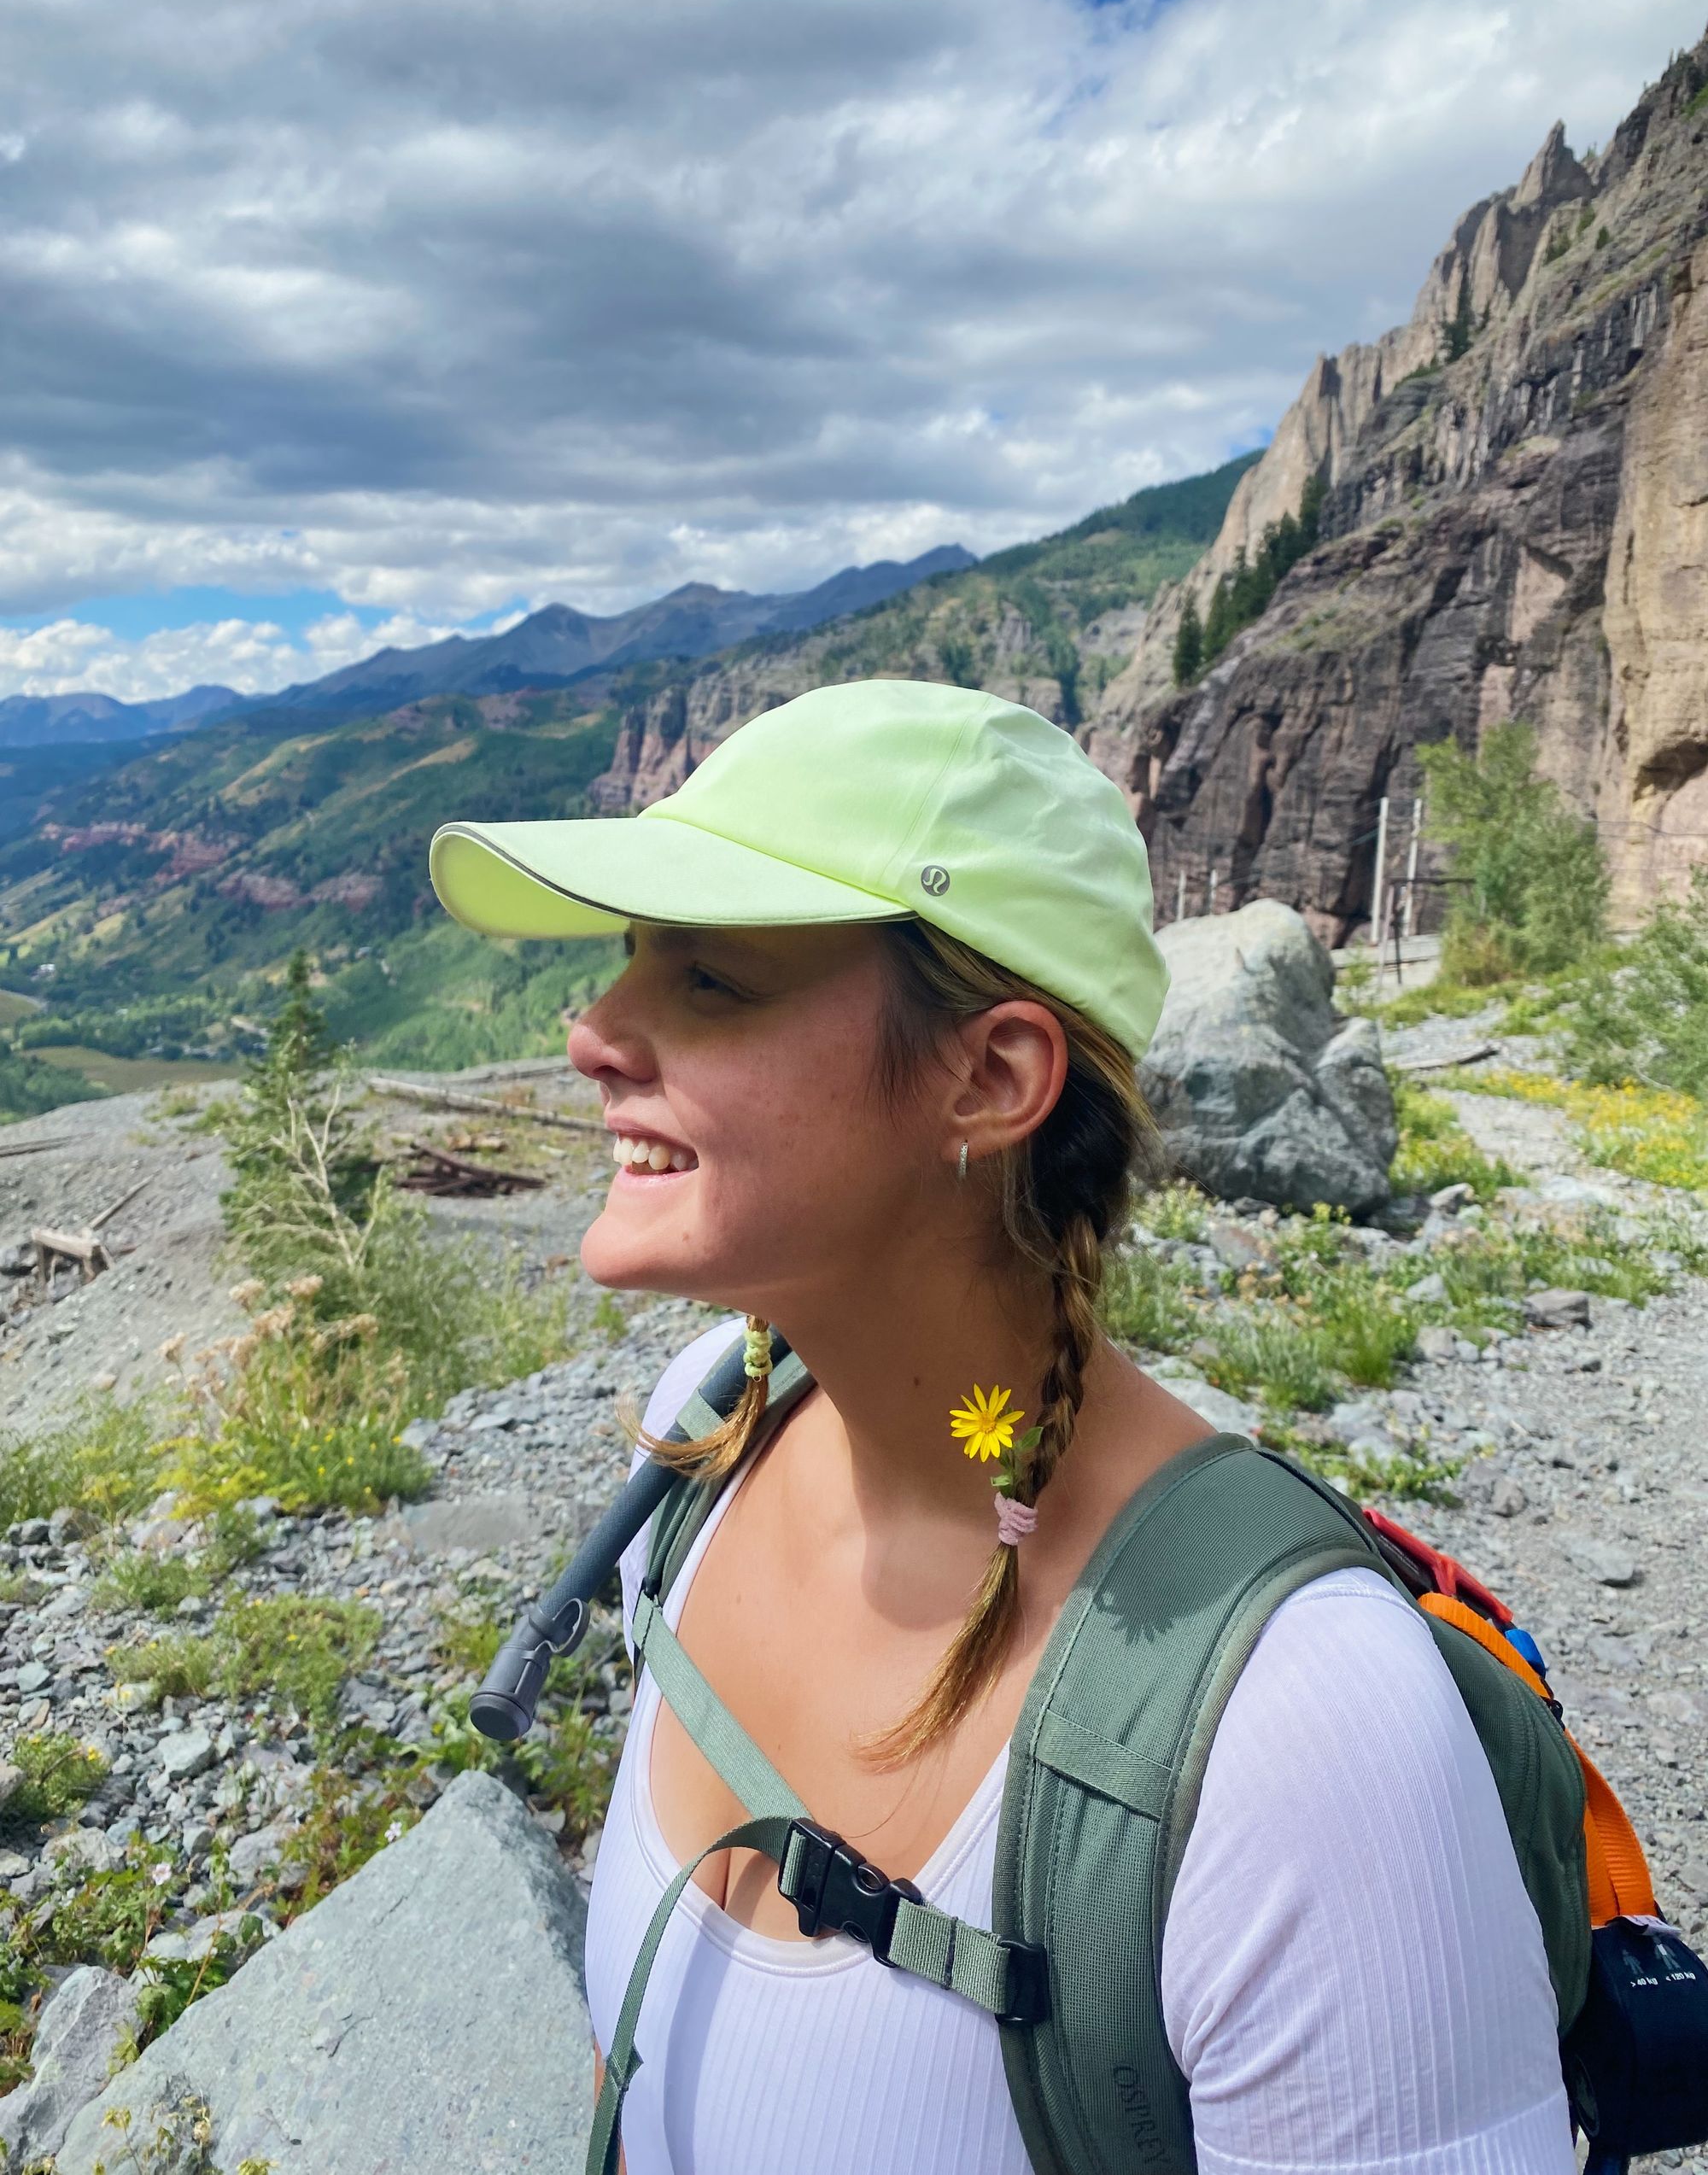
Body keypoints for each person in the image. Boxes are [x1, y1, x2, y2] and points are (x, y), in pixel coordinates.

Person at [429, 680, 1575, 2175]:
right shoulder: (707, 1433)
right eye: (631, 963)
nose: (595, 1034)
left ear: (992, 1077)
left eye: (709, 983)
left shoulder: (1305, 1733)